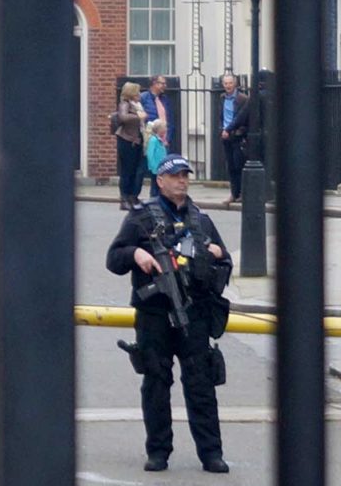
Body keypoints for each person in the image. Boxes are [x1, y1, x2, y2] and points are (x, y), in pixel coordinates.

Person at [106, 154, 233, 474]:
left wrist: (216, 254)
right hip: (155, 314)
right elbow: (114, 258)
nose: (182, 181)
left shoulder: (201, 219)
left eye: (186, 175)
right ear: (160, 181)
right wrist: (137, 253)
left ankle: (211, 453)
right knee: (156, 381)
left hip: (195, 313)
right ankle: (158, 451)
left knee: (201, 383)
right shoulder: (141, 219)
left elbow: (224, 263)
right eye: (175, 176)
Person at [115, 82, 147, 210]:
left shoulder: (138, 105)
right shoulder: (125, 104)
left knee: (136, 170)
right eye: (137, 92)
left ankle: (133, 197)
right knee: (127, 171)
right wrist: (138, 116)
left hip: (138, 141)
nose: (139, 94)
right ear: (131, 94)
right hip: (127, 141)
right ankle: (124, 199)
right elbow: (123, 117)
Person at [140, 76, 172, 194]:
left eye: (165, 83)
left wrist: (168, 137)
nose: (164, 86)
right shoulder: (144, 97)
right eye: (161, 83)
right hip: (152, 137)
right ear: (154, 84)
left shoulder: (164, 99)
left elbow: (169, 118)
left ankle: (161, 196)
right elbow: (141, 118)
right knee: (154, 170)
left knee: (164, 171)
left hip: (164, 138)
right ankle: (152, 196)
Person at [219, 74, 248, 204]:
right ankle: (233, 194)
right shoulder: (222, 98)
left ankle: (242, 193)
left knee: (239, 165)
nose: (228, 86)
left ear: (235, 84)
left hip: (237, 136)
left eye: (230, 83)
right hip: (225, 135)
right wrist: (222, 130)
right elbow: (221, 115)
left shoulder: (242, 99)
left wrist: (233, 131)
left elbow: (242, 118)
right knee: (230, 167)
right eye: (225, 83)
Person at [144, 119, 169, 199]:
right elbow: (150, 154)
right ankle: (153, 198)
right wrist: (154, 167)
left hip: (161, 167)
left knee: (160, 185)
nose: (166, 129)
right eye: (164, 127)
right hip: (156, 168)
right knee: (155, 185)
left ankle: (158, 198)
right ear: (159, 129)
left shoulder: (159, 140)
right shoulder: (153, 140)